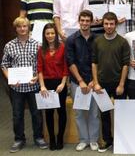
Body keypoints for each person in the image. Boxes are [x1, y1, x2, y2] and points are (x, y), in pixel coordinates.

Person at [1, 17, 48, 153]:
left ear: (29, 28)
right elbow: (4, 65)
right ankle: (19, 139)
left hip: (34, 86)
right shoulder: (9, 45)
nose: (22, 29)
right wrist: (9, 78)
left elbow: (42, 65)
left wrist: (37, 77)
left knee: (36, 113)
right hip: (16, 87)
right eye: (19, 27)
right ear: (16, 29)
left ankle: (38, 137)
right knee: (17, 114)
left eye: (25, 26)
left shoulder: (37, 45)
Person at [92, 12, 130, 152]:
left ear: (116, 24)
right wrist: (95, 82)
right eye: (106, 24)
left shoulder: (122, 41)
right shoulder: (97, 41)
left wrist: (121, 84)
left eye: (111, 24)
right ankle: (107, 140)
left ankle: (121, 141)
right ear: (103, 24)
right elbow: (94, 63)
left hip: (118, 84)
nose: (109, 26)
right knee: (105, 114)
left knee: (121, 114)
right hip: (102, 84)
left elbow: (126, 64)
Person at [65, 10, 100, 151]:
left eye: (87, 21)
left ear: (91, 22)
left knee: (94, 112)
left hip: (94, 81)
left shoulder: (98, 39)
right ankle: (83, 139)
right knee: (79, 112)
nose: (85, 23)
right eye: (82, 20)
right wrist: (80, 81)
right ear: (79, 21)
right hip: (76, 81)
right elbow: (70, 62)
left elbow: (98, 61)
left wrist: (93, 81)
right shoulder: (71, 39)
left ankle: (93, 140)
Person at [37, 23, 68, 151]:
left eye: (52, 33)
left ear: (56, 34)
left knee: (61, 112)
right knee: (49, 113)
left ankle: (60, 137)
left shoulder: (62, 47)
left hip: (60, 84)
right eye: (47, 33)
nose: (50, 36)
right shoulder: (41, 50)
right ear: (44, 35)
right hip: (47, 84)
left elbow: (66, 68)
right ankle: (52, 139)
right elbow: (39, 69)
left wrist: (63, 83)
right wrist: (42, 86)